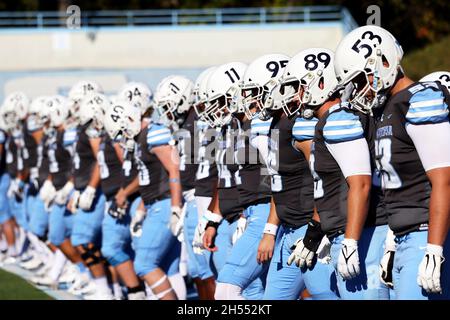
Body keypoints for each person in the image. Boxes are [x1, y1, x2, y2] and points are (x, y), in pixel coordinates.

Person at [335, 25, 450, 299]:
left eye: (361, 80)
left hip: (425, 234)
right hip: (402, 236)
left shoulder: (421, 100)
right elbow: (394, 190)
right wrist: (391, 244)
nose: (359, 91)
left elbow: (443, 181)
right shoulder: (387, 109)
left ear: (383, 62)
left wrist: (433, 250)